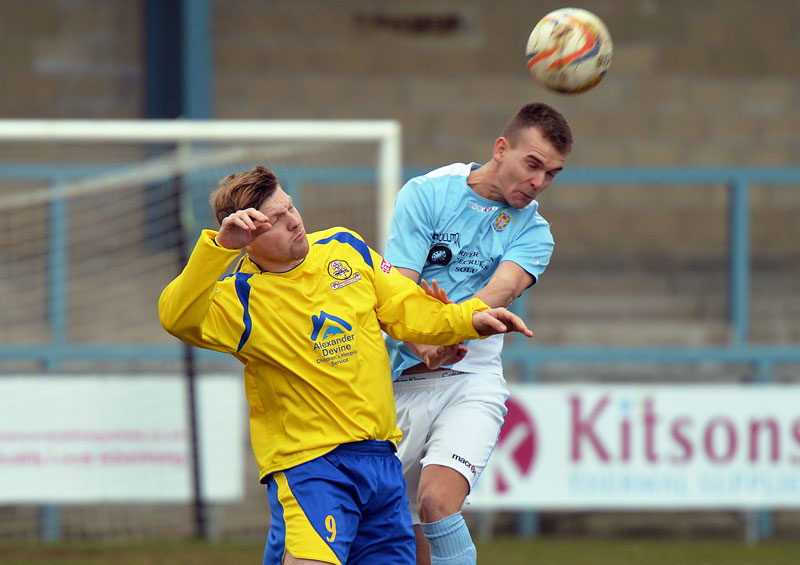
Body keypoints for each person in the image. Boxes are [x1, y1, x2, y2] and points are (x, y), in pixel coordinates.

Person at [158, 165, 534, 565]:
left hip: (381, 461)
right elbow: (175, 317)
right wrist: (219, 247)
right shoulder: (239, 299)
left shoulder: (344, 247)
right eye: (276, 220)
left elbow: (406, 307)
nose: (294, 221)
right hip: (312, 467)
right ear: (248, 240)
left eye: (290, 208)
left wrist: (470, 318)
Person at [383, 102, 572, 565]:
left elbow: (499, 291)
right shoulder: (426, 194)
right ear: (501, 148)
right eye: (533, 164)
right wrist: (426, 342)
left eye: (551, 174)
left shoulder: (535, 232)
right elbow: (397, 293)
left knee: (436, 503)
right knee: (401, 530)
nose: (539, 182)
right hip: (396, 383)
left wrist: (449, 323)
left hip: (471, 379)